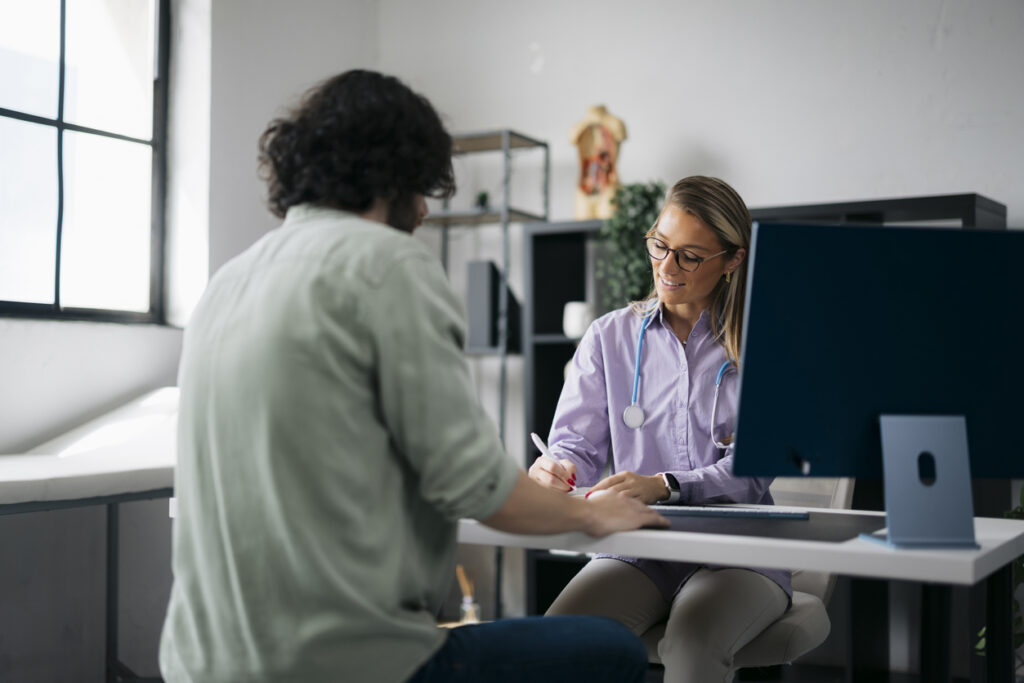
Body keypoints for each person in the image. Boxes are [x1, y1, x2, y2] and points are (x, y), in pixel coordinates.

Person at [158, 69, 668, 683]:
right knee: (612, 649)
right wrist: (595, 516)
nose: (425, 211)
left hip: (200, 662)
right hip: (336, 665)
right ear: (392, 173)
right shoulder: (388, 264)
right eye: (422, 188)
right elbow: (479, 488)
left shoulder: (228, 281)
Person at [529, 176, 790, 682]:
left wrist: (666, 485)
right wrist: (558, 466)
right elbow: (575, 444)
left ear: (733, 260)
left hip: (738, 555)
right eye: (660, 246)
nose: (667, 268)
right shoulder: (609, 337)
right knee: (557, 641)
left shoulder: (765, 341)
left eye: (690, 256)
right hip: (641, 548)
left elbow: (754, 472)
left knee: (692, 644)